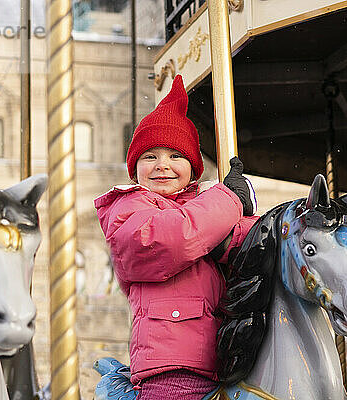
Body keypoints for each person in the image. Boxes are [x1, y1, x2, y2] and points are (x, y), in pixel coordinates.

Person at [94, 75, 258, 400]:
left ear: (194, 168)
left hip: (227, 354)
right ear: (135, 167)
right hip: (172, 367)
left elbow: (250, 249)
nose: (162, 166)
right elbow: (168, 240)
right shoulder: (128, 206)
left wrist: (265, 222)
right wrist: (229, 200)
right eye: (150, 157)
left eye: (175, 156)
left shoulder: (203, 208)